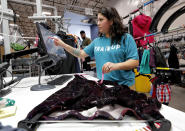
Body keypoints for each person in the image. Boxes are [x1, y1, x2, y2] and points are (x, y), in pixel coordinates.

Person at [50, 7, 139, 90]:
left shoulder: (126, 38)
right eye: (97, 20)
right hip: (105, 87)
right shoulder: (97, 41)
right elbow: (81, 54)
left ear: (111, 21)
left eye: (101, 20)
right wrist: (63, 45)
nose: (98, 23)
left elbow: (135, 62)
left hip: (125, 87)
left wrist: (115, 66)